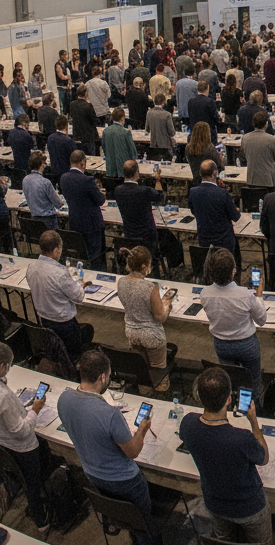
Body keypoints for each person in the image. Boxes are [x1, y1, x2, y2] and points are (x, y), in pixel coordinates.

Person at [56, 349, 160, 545]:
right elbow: (133, 452)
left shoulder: (64, 399)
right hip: (126, 481)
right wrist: (142, 430)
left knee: (127, 517)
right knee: (143, 524)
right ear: (103, 377)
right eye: (109, 375)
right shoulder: (110, 414)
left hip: (93, 475)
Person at [178, 366, 272, 545]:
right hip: (250, 509)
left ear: (199, 396)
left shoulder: (187, 424)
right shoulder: (241, 438)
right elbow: (264, 458)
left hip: (215, 504)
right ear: (229, 399)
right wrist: (254, 422)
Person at [201, 247, 267, 412]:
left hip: (221, 345)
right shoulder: (245, 295)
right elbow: (262, 320)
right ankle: (254, 412)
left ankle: (233, 408)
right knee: (253, 382)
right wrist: (258, 296)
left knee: (230, 381)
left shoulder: (205, 293)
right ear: (233, 271)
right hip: (246, 344)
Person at [0, 340, 52, 532]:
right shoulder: (3, 396)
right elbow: (21, 432)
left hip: (4, 445)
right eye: (8, 366)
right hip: (22, 448)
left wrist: (25, 411)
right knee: (32, 484)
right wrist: (35, 411)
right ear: (2, 366)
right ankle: (42, 520)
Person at [25, 230, 93, 360]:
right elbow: (78, 297)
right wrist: (81, 285)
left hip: (44, 321)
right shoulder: (60, 273)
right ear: (56, 250)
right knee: (86, 332)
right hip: (65, 325)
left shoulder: (31, 267)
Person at [117, 245, 173, 384]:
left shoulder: (121, 282)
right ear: (144, 267)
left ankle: (144, 389)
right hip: (151, 335)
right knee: (158, 373)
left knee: (141, 367)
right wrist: (166, 302)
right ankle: (160, 392)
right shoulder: (149, 287)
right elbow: (160, 317)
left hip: (131, 332)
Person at [60, 149, 107, 270]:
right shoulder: (87, 180)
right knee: (94, 255)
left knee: (80, 253)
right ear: (83, 163)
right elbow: (100, 200)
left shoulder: (64, 178)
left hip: (75, 220)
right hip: (91, 224)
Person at [114, 160, 164, 259]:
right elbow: (160, 198)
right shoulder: (145, 191)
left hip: (129, 235)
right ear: (137, 173)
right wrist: (158, 181)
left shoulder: (118, 190)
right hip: (147, 238)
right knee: (165, 234)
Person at [190, 159, 241, 252]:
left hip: (204, 240)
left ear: (200, 174)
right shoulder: (222, 194)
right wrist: (237, 209)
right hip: (223, 242)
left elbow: (194, 211)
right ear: (215, 173)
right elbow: (236, 217)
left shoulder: (193, 192)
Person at [240, 111, 275, 195]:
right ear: (266, 124)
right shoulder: (271, 139)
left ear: (253, 123)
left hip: (251, 179)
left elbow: (243, 158)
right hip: (269, 182)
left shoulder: (245, 138)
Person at [22, 150, 61, 229]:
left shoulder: (25, 180)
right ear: (41, 165)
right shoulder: (46, 182)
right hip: (49, 221)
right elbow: (59, 205)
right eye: (44, 163)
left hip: (35, 219)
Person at [69, 84, 100, 155]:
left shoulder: (72, 105)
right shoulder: (88, 106)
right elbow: (95, 121)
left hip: (77, 135)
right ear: (86, 93)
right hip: (88, 137)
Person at [47, 115, 76, 179]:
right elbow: (75, 158)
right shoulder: (69, 141)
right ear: (67, 126)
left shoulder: (50, 138)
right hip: (67, 173)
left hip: (54, 171)